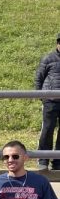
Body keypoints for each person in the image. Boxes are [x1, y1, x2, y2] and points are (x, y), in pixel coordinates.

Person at [34, 32, 60, 170]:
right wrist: (42, 96)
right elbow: (39, 78)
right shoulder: (48, 58)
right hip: (50, 100)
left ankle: (58, 162)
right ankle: (43, 160)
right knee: (47, 129)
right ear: (57, 43)